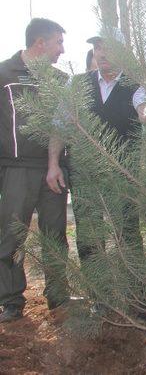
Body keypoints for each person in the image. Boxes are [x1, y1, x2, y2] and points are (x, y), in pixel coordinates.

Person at [47, 31, 146, 275]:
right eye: (98, 47)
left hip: (124, 174)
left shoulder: (136, 85)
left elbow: (142, 108)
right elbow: (60, 126)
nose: (102, 53)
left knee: (128, 233)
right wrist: (53, 164)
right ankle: (98, 296)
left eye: (108, 48)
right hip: (85, 174)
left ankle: (136, 296)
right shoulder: (78, 84)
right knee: (89, 236)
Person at [0, 18, 70, 323]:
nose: (61, 50)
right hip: (15, 169)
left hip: (52, 171)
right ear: (40, 43)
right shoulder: (5, 74)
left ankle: (59, 298)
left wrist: (56, 164)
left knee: (55, 234)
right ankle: (11, 300)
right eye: (58, 42)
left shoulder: (60, 80)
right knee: (12, 235)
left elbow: (64, 124)